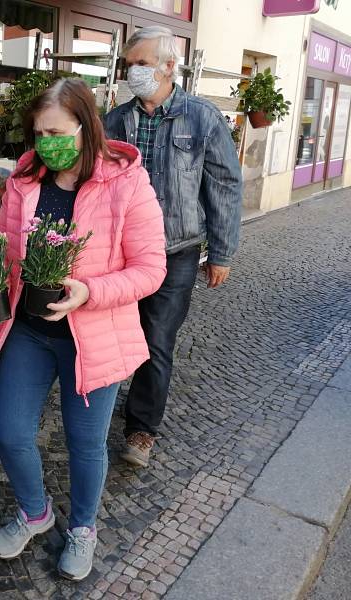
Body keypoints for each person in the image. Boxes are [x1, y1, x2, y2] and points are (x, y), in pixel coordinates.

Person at [0, 78, 167, 581]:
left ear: (86, 128)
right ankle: (36, 511)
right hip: (31, 332)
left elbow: (151, 269)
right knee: (10, 429)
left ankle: (82, 527)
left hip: (95, 335)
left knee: (86, 443)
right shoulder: (25, 180)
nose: (47, 143)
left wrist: (89, 291)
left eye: (57, 131)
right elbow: (3, 244)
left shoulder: (126, 182)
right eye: (39, 133)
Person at [103, 26, 243, 467]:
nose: (133, 72)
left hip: (175, 251)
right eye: (129, 65)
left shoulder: (202, 118)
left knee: (157, 338)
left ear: (168, 66)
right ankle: (97, 402)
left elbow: (224, 186)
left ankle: (141, 429)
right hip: (121, 253)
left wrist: (221, 252)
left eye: (141, 63)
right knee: (108, 333)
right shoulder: (115, 120)